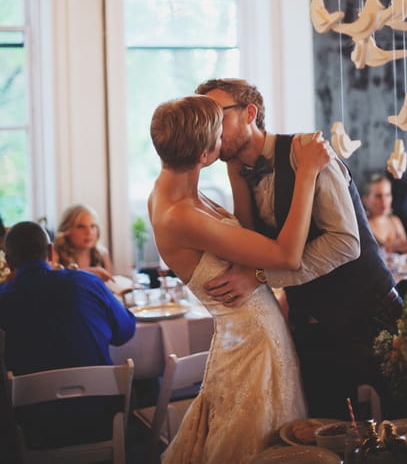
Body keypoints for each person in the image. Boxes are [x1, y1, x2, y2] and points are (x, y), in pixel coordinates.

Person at [196, 78, 402, 419]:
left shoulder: (307, 152)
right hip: (314, 327)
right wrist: (237, 177)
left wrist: (262, 276)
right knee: (325, 433)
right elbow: (254, 244)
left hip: (371, 313)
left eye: (218, 116)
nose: (211, 129)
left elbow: (345, 243)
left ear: (250, 113)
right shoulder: (241, 172)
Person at [149, 95, 331, 463]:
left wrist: (235, 175)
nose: (226, 137)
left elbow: (242, 241)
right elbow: (287, 256)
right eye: (219, 134)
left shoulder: (175, 187)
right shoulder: (179, 215)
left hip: (253, 335)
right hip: (249, 345)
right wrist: (307, 173)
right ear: (204, 155)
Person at [0, 221, 136, 448]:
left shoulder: (3, 298)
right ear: (51, 251)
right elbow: (124, 332)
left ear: (7, 262)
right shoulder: (87, 282)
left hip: (34, 427)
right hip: (100, 419)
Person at [53, 203, 114, 282]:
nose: (89, 232)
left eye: (92, 226)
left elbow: (109, 286)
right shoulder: (55, 254)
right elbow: (52, 284)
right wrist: (89, 272)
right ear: (66, 230)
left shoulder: (102, 254)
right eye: (81, 227)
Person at [362, 174, 407, 254]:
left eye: (387, 195)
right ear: (366, 200)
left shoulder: (395, 221)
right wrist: (388, 247)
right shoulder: (362, 226)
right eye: (378, 196)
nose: (384, 201)